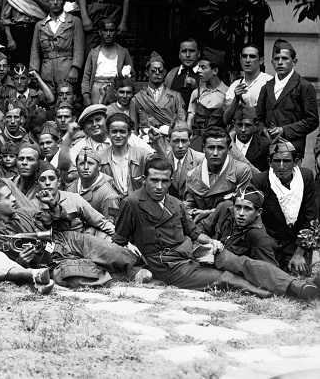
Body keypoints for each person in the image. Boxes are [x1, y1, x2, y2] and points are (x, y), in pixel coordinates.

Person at [113, 157, 319, 300]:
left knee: (241, 262)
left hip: (192, 251)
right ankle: (283, 293)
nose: (159, 186)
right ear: (144, 180)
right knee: (225, 279)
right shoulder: (131, 203)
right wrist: (136, 268)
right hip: (168, 266)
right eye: (154, 180)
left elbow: (194, 232)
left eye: (164, 181)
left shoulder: (175, 203)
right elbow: (118, 243)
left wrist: (211, 242)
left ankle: (297, 287)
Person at [34, 163, 145, 287]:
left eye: (51, 179)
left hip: (79, 241)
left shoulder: (73, 199)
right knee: (72, 274)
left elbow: (100, 221)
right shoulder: (32, 206)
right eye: (42, 180)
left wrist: (125, 242)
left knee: (110, 251)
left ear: (59, 182)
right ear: (37, 184)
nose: (48, 183)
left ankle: (138, 267)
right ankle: (118, 275)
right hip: (57, 252)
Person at [251, 138, 318, 274]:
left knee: (299, 274)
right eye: (277, 161)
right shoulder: (260, 181)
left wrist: (299, 253)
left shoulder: (306, 177)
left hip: (297, 240)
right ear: (270, 162)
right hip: (272, 240)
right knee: (270, 275)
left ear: (295, 162)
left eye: (287, 161)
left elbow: (311, 217)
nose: (281, 166)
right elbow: (255, 217)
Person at [255, 39, 319, 159]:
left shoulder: (304, 86)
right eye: (276, 59)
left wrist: (284, 130)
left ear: (294, 61)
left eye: (285, 58)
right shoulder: (266, 87)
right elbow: (258, 118)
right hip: (268, 150)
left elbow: (312, 121)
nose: (280, 62)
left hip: (293, 150)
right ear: (271, 62)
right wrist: (263, 130)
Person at [193, 186, 279, 267]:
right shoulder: (224, 208)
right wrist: (211, 241)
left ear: (259, 212)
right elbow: (198, 231)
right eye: (238, 207)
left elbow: (270, 271)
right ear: (233, 206)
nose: (241, 213)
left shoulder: (259, 237)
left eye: (247, 208)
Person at [184, 126, 252, 222]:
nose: (215, 153)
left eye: (220, 148)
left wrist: (208, 212)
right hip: (201, 226)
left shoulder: (241, 171)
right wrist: (192, 213)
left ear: (229, 149)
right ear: (203, 148)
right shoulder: (192, 175)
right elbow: (189, 206)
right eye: (211, 148)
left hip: (231, 225)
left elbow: (243, 207)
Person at [30, 0, 84, 89]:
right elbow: (35, 51)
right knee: (47, 100)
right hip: (46, 70)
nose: (55, 2)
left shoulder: (74, 21)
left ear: (64, 1)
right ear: (47, 1)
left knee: (66, 100)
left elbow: (79, 47)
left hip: (66, 70)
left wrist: (75, 68)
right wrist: (34, 72)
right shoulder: (40, 25)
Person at [1, 0, 49, 67]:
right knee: (20, 65)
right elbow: (5, 19)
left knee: (36, 62)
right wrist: (10, 39)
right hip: (18, 32)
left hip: (36, 31)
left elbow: (49, 10)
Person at [98, 113, 153, 200]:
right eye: (114, 131)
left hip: (138, 206)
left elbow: (163, 167)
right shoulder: (99, 157)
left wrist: (157, 143)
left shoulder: (142, 155)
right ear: (107, 134)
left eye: (122, 132)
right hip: (111, 207)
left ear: (129, 134)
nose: (118, 136)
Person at [81, 19, 134, 107]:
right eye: (105, 30)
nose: (108, 34)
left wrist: (125, 89)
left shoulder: (123, 52)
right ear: (99, 32)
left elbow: (132, 75)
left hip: (116, 90)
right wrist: (86, 96)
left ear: (116, 32)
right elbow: (86, 77)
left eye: (111, 30)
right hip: (96, 90)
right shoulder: (94, 53)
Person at [150, 121, 205, 200]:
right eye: (176, 141)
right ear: (169, 141)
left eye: (184, 141)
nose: (180, 146)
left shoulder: (200, 160)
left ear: (190, 141)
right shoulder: (162, 158)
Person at [132, 51, 186, 129]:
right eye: (153, 71)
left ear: (164, 72)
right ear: (147, 73)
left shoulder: (176, 97)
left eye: (160, 71)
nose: (157, 73)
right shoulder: (137, 99)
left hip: (168, 139)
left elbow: (182, 124)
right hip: (144, 139)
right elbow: (133, 128)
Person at [223, 43, 273, 125]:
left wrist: (240, 108)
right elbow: (226, 120)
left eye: (252, 56)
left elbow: (265, 115)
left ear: (261, 60)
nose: (247, 60)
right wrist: (236, 100)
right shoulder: (235, 85)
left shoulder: (269, 81)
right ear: (240, 60)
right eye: (244, 56)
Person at [186, 52, 229, 150]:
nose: (198, 71)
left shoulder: (227, 93)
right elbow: (190, 119)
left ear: (215, 71)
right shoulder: (196, 93)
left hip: (217, 143)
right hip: (197, 142)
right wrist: (189, 138)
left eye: (203, 67)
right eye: (199, 67)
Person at [67, 147, 120, 222]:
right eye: (81, 163)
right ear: (76, 166)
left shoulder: (109, 196)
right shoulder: (70, 189)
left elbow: (110, 229)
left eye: (90, 163)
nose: (85, 167)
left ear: (99, 167)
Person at [164, 38, 200, 114]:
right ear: (179, 55)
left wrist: (196, 88)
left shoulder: (204, 73)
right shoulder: (172, 73)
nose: (187, 55)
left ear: (198, 54)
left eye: (191, 51)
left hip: (197, 122)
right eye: (184, 51)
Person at [232, 106, 270, 173]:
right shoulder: (225, 144)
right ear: (234, 124)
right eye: (239, 125)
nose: (243, 130)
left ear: (255, 125)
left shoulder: (266, 145)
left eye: (248, 125)